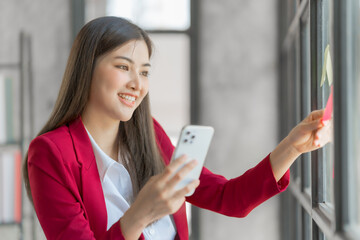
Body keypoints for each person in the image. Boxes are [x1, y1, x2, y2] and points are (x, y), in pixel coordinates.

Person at [23, 16, 332, 240]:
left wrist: (293, 145)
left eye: (144, 72)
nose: (137, 83)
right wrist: (139, 215)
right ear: (86, 69)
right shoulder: (50, 153)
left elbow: (230, 198)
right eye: (122, 67)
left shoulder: (149, 134)